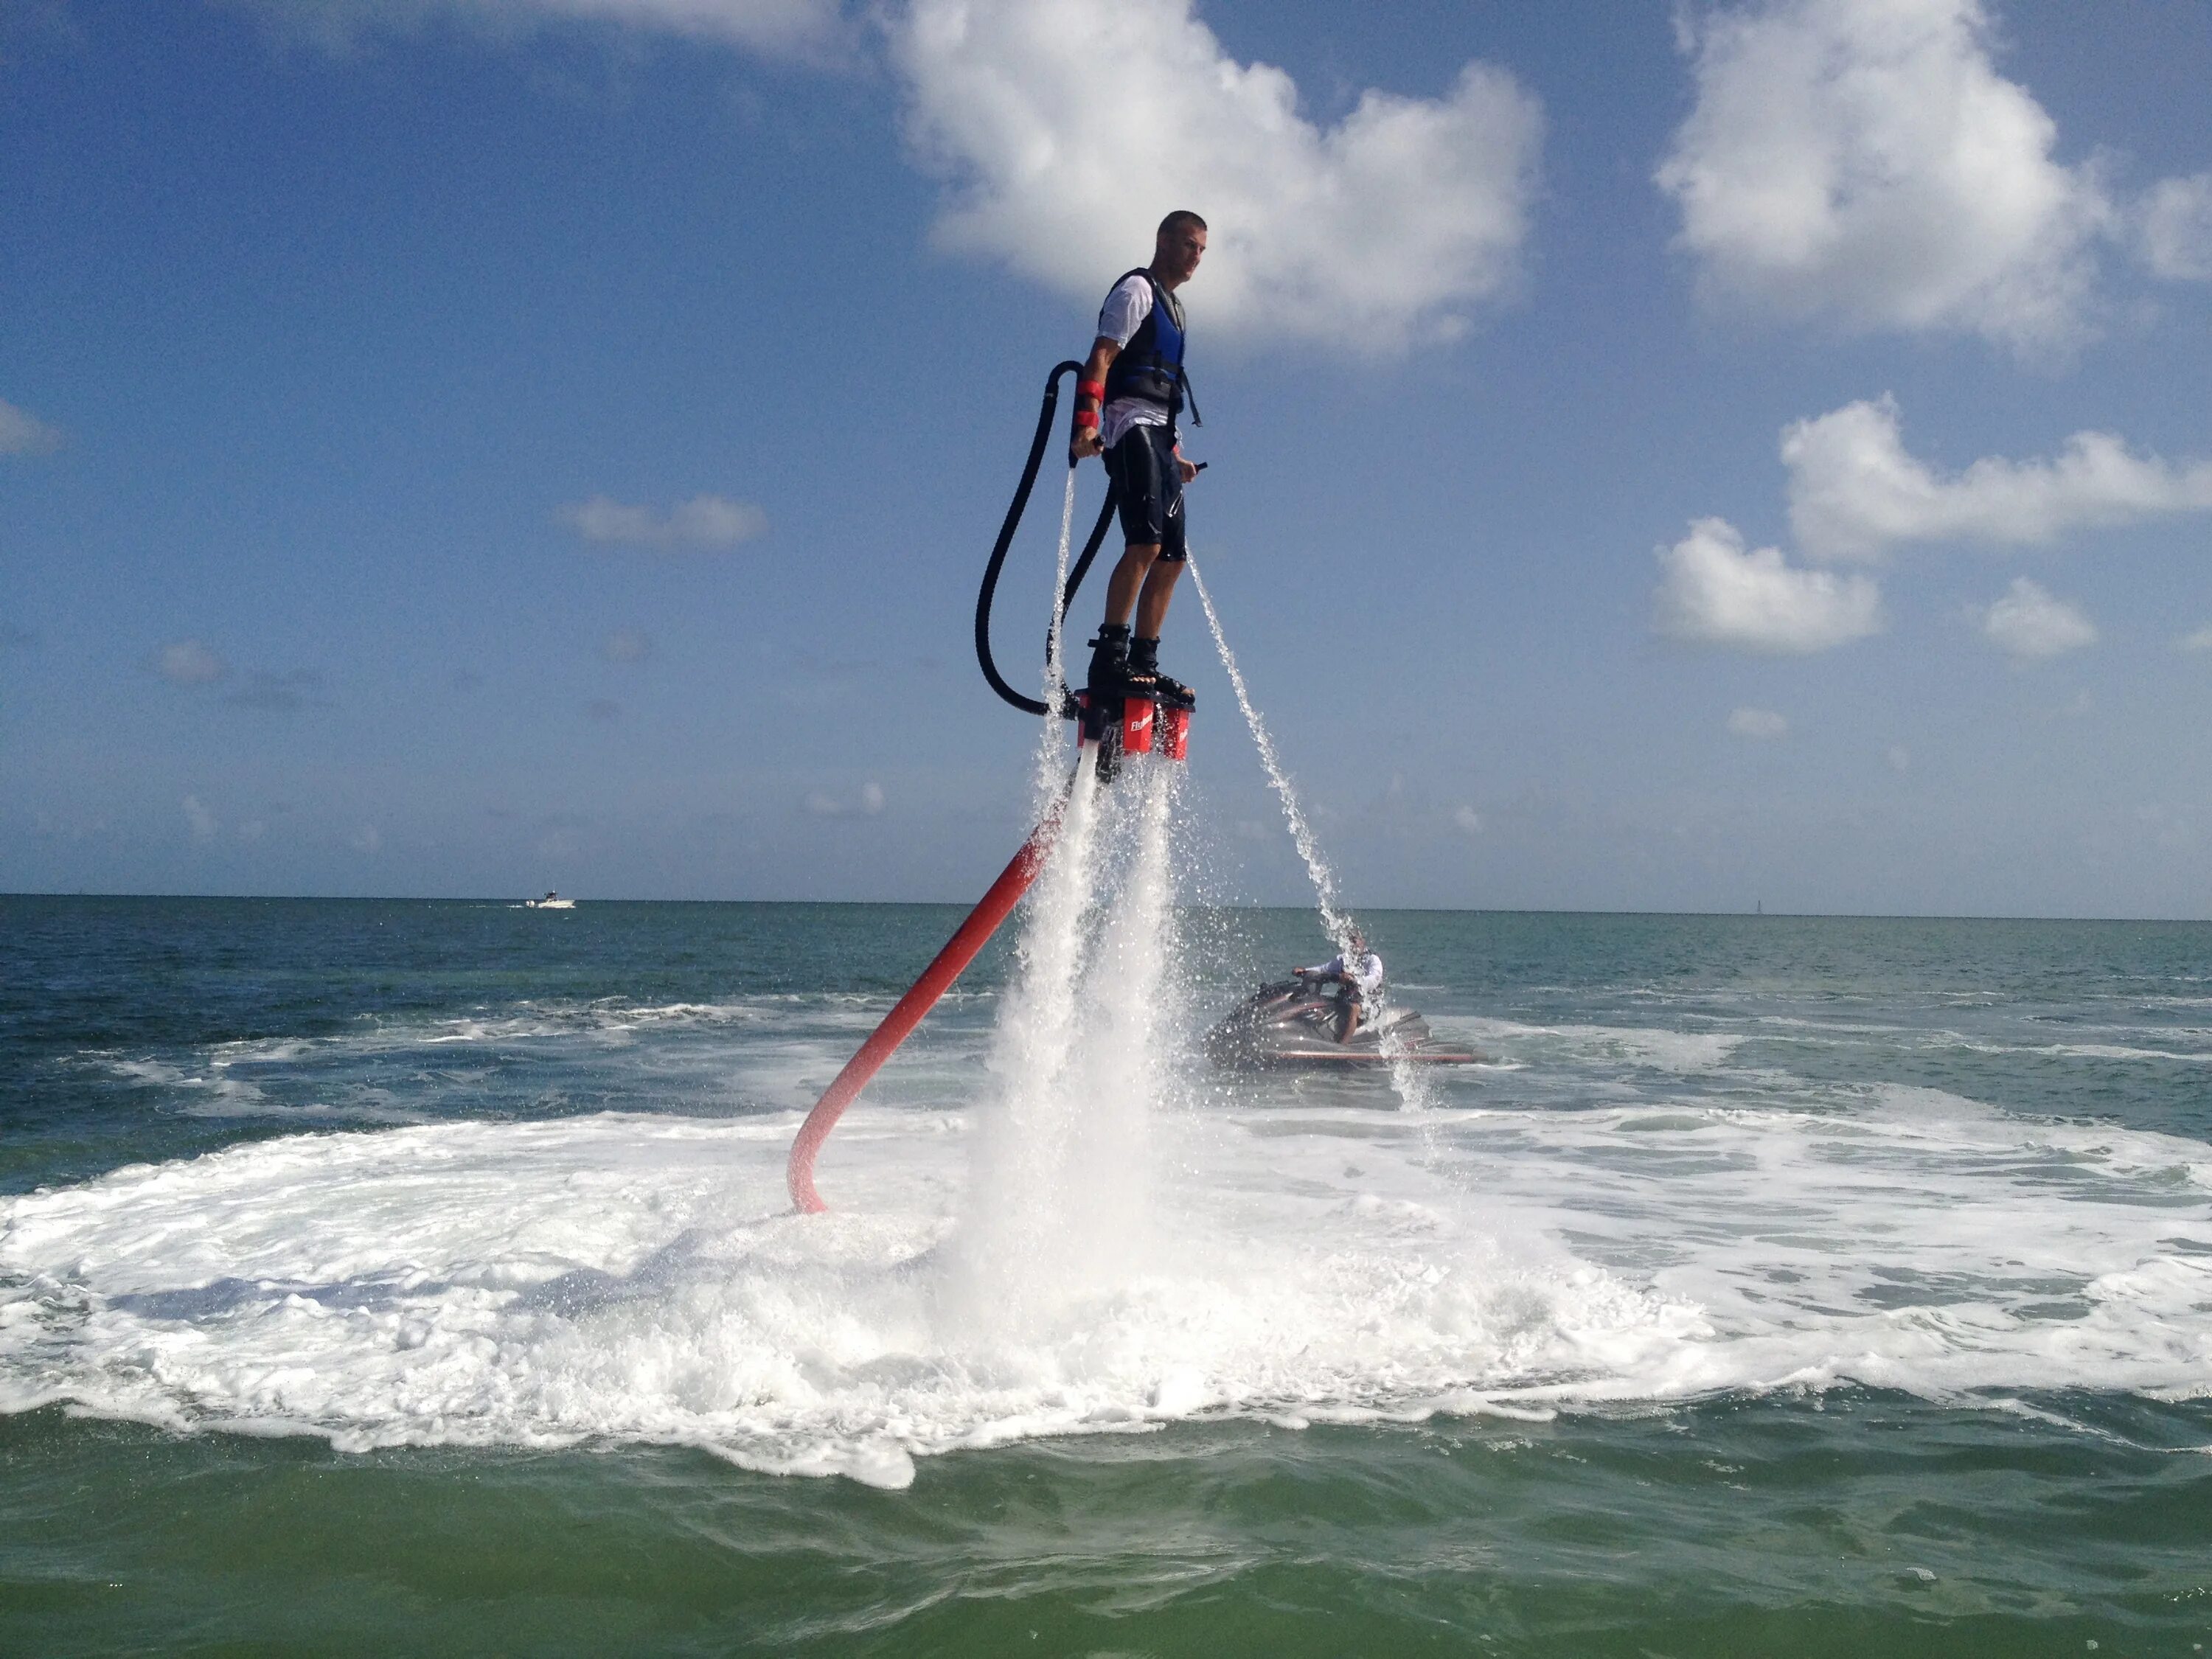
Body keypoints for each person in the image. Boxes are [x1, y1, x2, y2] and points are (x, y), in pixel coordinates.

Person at [1068, 210, 1207, 706]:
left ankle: (1145, 662)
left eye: (1202, 251)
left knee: (1172, 557)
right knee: (1144, 544)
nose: (1197, 257)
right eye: (1190, 245)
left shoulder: (1178, 312)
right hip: (1128, 426)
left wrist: (1176, 456)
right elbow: (1102, 356)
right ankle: (1110, 656)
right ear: (1164, 241)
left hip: (1160, 436)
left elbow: (1165, 395)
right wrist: (1086, 420)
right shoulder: (1137, 292)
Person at [1294, 932, 1384, 1043]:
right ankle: (1312, 1035)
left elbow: (1373, 980)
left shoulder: (1372, 960)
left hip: (1369, 1004)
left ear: (1362, 942)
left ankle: (1342, 1046)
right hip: (1347, 999)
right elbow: (1323, 969)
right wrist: (1306, 971)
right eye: (1349, 942)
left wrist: (1354, 980)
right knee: (1321, 1003)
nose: (1352, 945)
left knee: (1353, 1008)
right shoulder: (1343, 960)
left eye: (1355, 941)